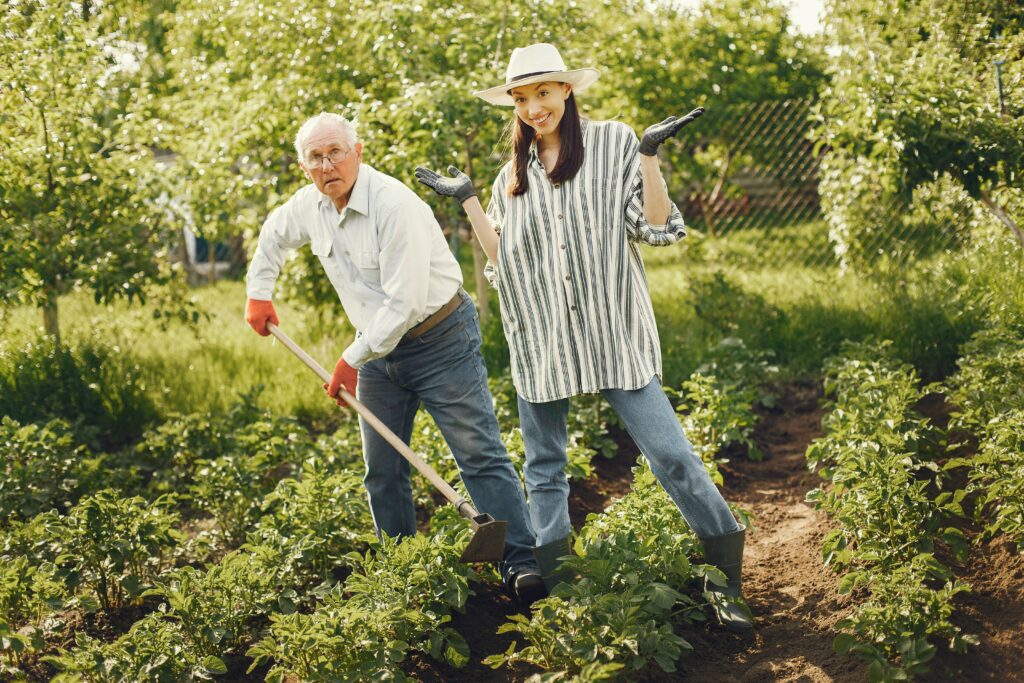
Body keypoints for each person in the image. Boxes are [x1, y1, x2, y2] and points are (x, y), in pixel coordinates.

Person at [415, 43, 753, 631]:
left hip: (612, 332)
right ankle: (567, 595)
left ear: (567, 91)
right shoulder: (511, 176)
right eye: (521, 98)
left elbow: (654, 228)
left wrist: (648, 156)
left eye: (543, 92)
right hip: (544, 339)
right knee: (544, 468)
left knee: (671, 455)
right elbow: (506, 264)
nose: (533, 107)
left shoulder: (616, 142)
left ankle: (725, 581)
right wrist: (471, 198)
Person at [244, 112, 545, 605]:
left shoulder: (393, 205)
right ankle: (402, 571)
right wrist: (259, 293)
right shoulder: (309, 207)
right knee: (382, 469)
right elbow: (274, 235)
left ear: (357, 152)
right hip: (376, 351)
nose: (326, 165)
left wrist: (351, 359)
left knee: (477, 453)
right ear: (304, 166)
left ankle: (521, 560)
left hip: (439, 338)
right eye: (315, 157)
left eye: (335, 152)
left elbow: (403, 303)